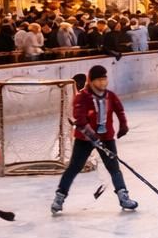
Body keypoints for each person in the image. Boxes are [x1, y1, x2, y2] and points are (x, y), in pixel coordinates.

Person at [53, 65, 134, 214]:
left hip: (107, 137)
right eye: (99, 80)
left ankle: (123, 196)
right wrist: (92, 136)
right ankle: (60, 196)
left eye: (105, 79)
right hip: (84, 139)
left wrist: (123, 125)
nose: (103, 83)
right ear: (91, 81)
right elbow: (80, 118)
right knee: (75, 167)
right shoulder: (82, 97)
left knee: (114, 168)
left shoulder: (110, 95)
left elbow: (119, 109)